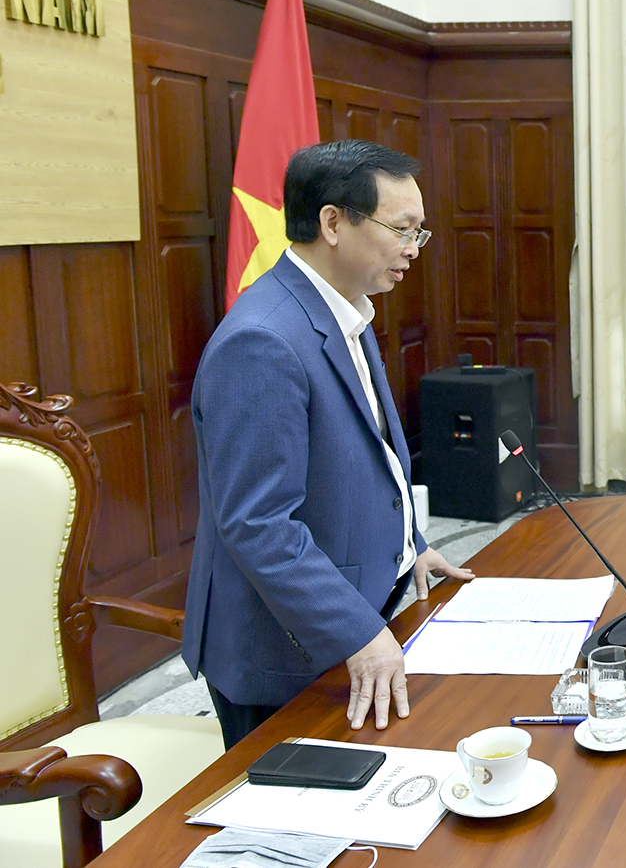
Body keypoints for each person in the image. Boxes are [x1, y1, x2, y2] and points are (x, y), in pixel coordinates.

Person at [182, 139, 474, 748]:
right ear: (334, 223)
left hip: (354, 610)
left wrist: (409, 548)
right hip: (283, 654)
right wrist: (355, 632)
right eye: (401, 229)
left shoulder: (343, 308)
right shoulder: (262, 341)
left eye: (419, 232)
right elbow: (259, 524)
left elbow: (365, 458)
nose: (413, 248)